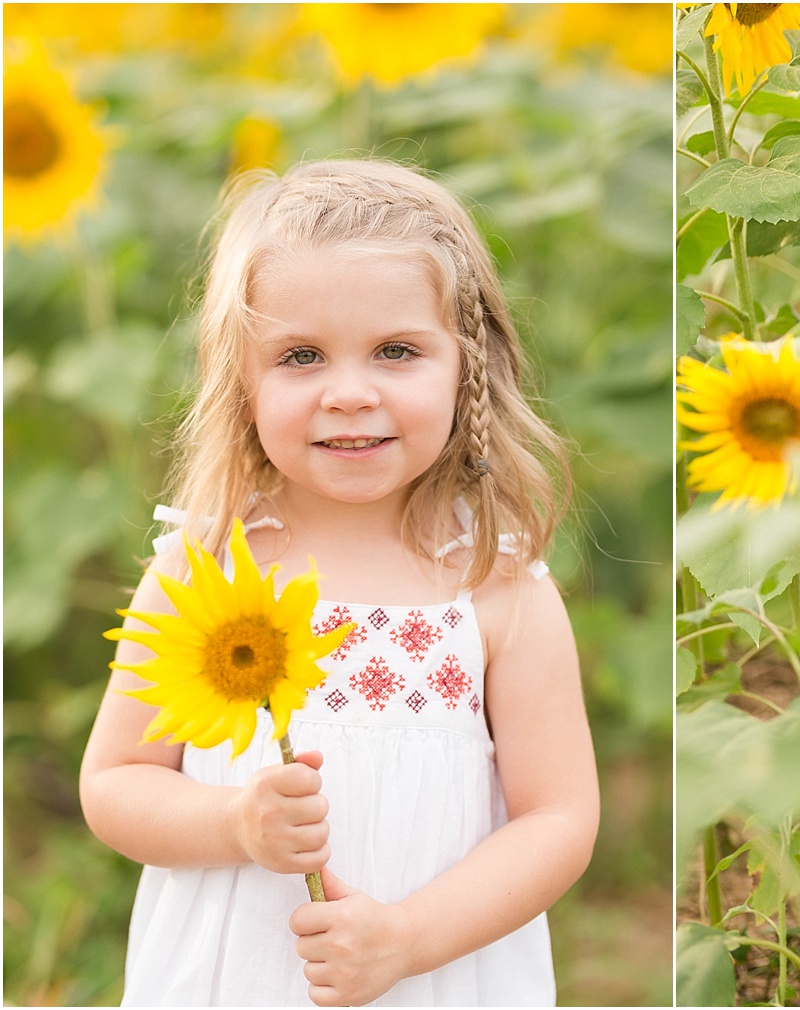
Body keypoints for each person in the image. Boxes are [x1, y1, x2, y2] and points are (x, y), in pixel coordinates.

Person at [79, 160, 598, 1007]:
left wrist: (408, 940)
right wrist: (235, 822)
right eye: (301, 356)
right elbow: (113, 785)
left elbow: (559, 822)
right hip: (237, 975)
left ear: (467, 365)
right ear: (241, 383)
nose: (349, 394)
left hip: (431, 975)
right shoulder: (204, 570)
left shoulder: (497, 589)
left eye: (396, 351)